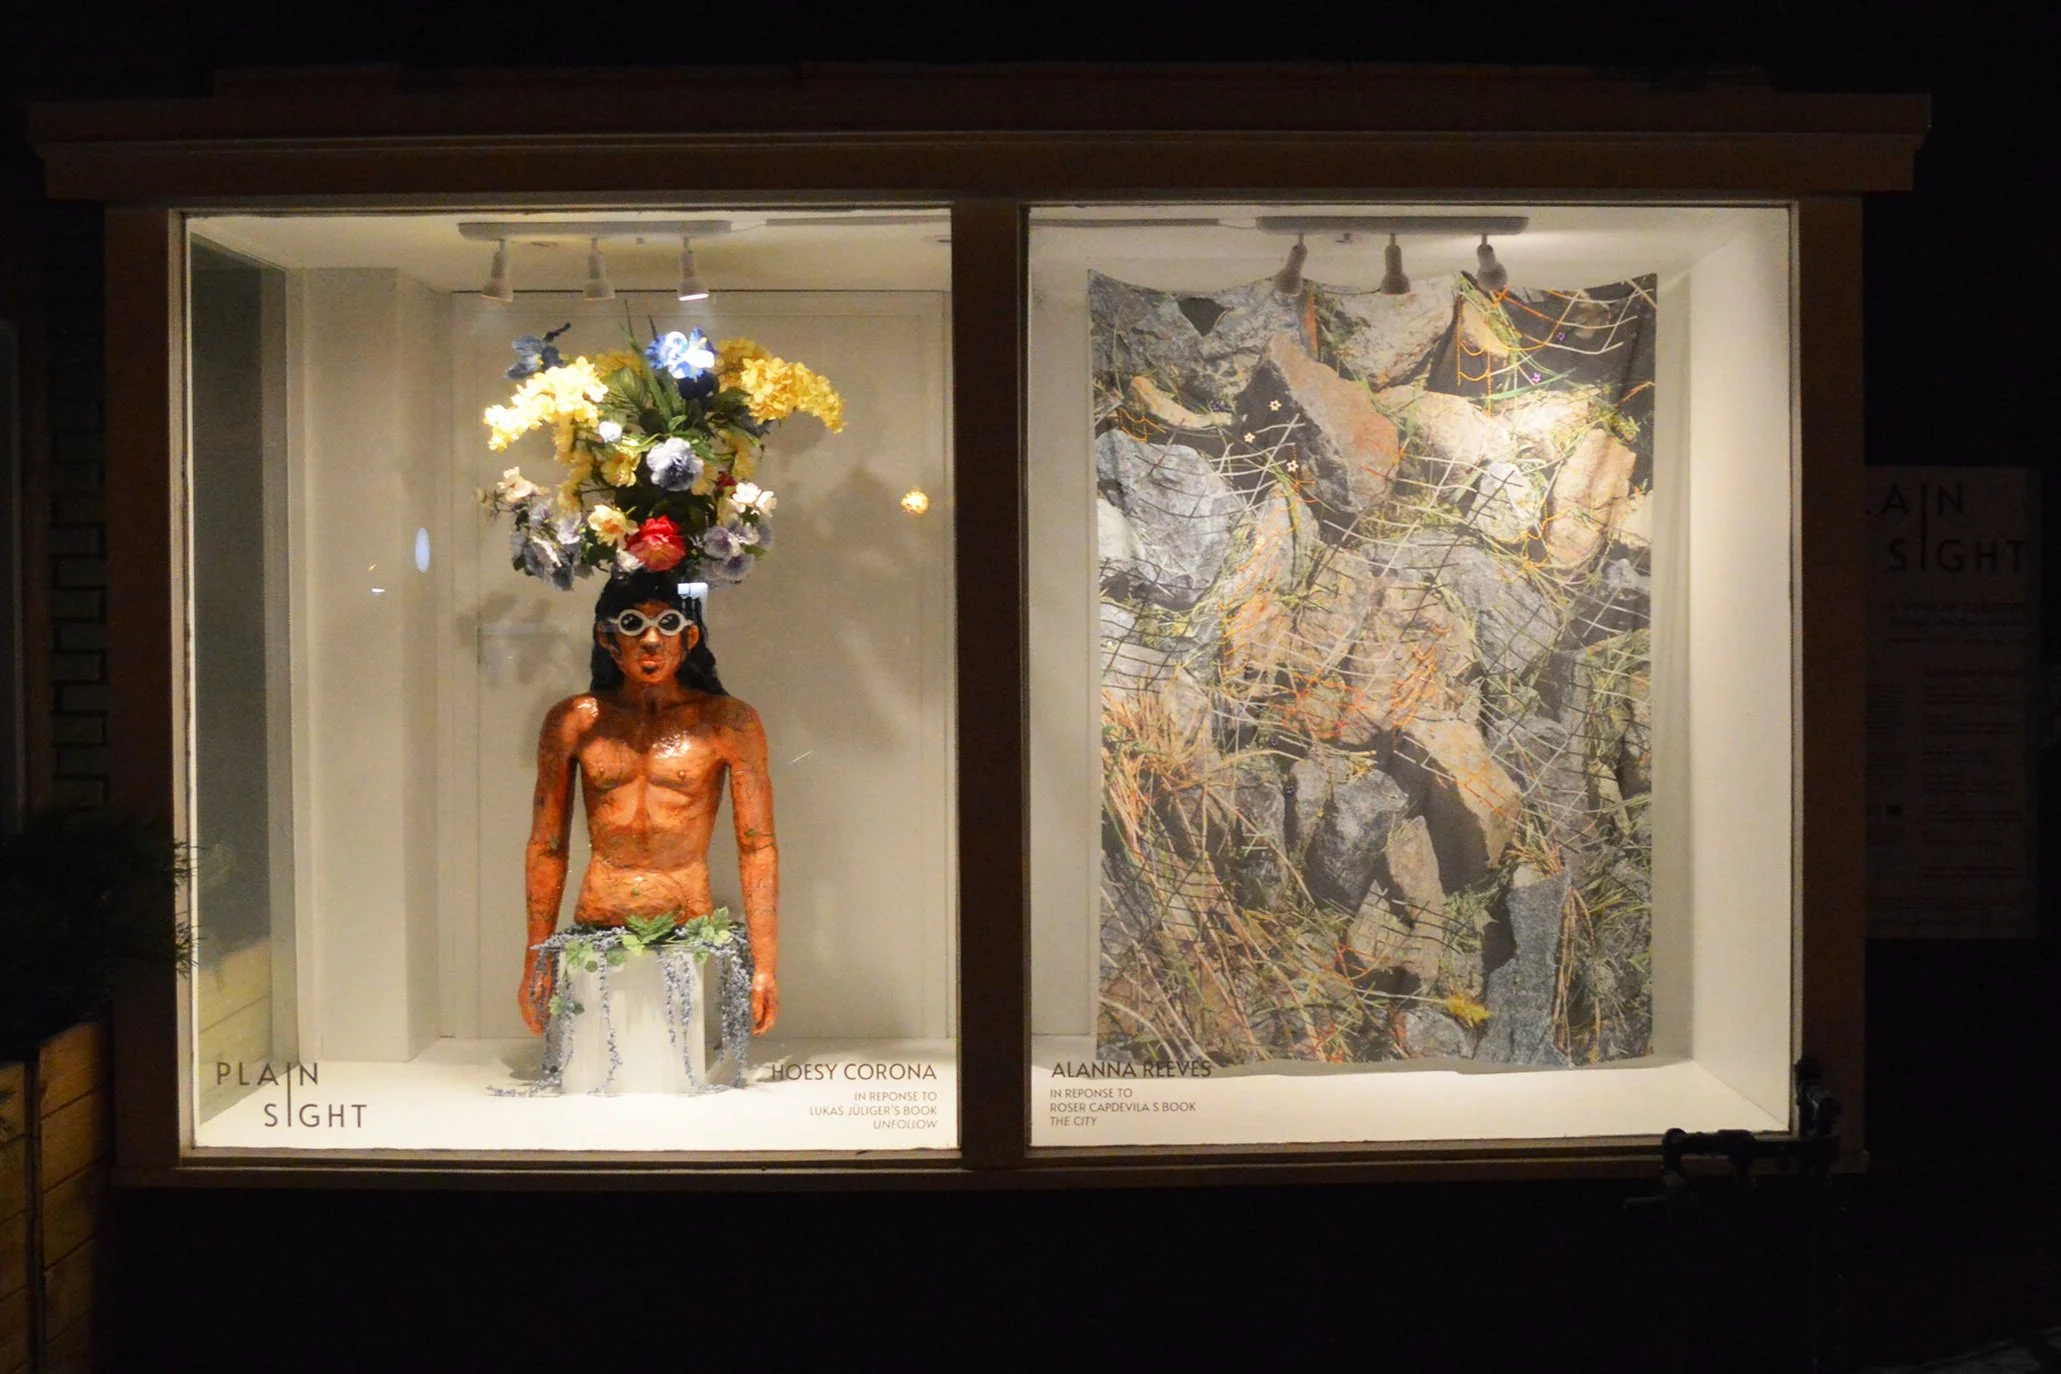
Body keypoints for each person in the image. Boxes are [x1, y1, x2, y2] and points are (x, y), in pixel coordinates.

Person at [520, 570, 779, 1037]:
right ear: (608, 638)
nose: (652, 641)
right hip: (600, 914)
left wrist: (764, 967)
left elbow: (757, 846)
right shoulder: (576, 721)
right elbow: (547, 844)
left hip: (687, 916)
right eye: (633, 624)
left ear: (690, 637)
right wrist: (535, 960)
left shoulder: (729, 723)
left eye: (668, 623)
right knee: (601, 1051)